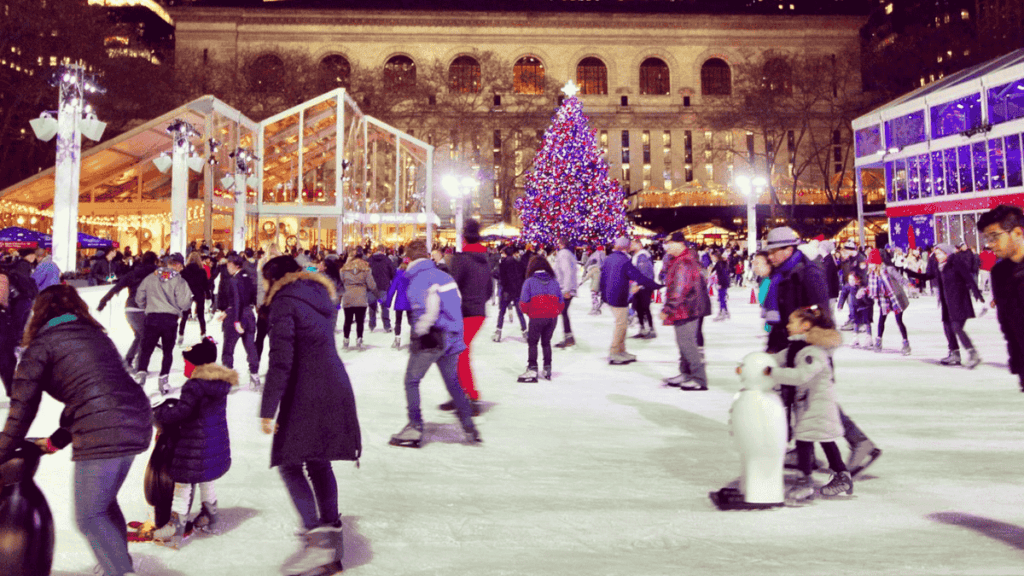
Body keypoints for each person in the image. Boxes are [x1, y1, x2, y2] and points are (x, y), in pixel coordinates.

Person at [0, 284, 151, 576]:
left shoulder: (41, 346)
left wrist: (2, 451)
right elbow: (93, 393)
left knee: (90, 516)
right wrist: (56, 440)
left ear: (38, 313)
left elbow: (21, 412)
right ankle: (118, 564)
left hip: (104, 430)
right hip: (137, 419)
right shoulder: (96, 337)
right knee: (103, 505)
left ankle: (120, 571)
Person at [260, 255, 361, 576]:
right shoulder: (319, 294)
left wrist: (268, 409)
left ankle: (319, 546)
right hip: (333, 383)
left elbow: (281, 360)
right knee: (318, 460)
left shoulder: (284, 302)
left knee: (290, 463)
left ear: (274, 279)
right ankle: (332, 541)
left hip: (307, 390)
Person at [764, 226, 881, 477]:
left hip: (810, 346)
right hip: (792, 344)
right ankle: (802, 448)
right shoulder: (782, 274)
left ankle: (861, 443)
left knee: (818, 400)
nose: (770, 256)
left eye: (774, 251)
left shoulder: (807, 273)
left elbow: (821, 314)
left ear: (788, 249)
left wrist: (812, 345)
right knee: (800, 397)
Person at [389, 239, 481, 447]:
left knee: (411, 380)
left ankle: (415, 426)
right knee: (453, 383)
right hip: (453, 336)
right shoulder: (443, 275)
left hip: (433, 337)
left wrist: (418, 333)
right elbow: (456, 300)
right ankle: (469, 426)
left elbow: (427, 310)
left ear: (408, 258)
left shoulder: (419, 279)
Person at [150, 337, 235, 546]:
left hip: (195, 444)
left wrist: (158, 413)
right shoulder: (218, 383)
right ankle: (210, 516)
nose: (185, 366)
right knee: (206, 477)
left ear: (197, 364)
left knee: (182, 483)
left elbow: (181, 413)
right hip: (214, 443)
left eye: (187, 362)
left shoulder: (195, 386)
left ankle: (175, 528)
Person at [772, 306, 853, 502]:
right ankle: (842, 476)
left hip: (818, 404)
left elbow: (800, 376)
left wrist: (771, 373)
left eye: (792, 322)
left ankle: (805, 481)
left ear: (805, 326)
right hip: (810, 404)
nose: (788, 325)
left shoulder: (813, 352)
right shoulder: (796, 348)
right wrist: (756, 363)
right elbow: (778, 358)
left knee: (804, 439)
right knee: (825, 440)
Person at [902, 244, 984, 368]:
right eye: (936, 254)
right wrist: (911, 273)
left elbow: (968, 277)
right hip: (948, 303)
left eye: (939, 253)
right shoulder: (940, 266)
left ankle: (972, 353)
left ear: (947, 253)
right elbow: (929, 276)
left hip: (960, 302)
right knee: (947, 327)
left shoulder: (955, 262)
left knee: (956, 327)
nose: (937, 256)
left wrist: (976, 292)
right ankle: (954, 354)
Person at [978, 205, 1024, 391]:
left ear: (1017, 233)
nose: (990, 244)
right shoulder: (999, 273)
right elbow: (1007, 325)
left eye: (995, 236)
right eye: (987, 238)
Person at [448, 220, 492, 411]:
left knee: (460, 353)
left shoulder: (462, 259)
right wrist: (479, 301)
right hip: (478, 312)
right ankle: (460, 393)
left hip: (464, 311)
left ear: (464, 237)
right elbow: (490, 288)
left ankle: (471, 396)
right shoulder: (484, 260)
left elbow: (452, 286)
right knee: (458, 352)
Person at [135, 253, 193, 395]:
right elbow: (184, 303)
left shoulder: (150, 277)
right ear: (177, 265)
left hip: (152, 318)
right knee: (167, 351)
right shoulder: (179, 281)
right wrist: (180, 308)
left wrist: (147, 306)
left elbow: (139, 297)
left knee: (146, 350)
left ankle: (141, 376)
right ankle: (163, 380)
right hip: (169, 320)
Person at [660, 232, 711, 390]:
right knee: (683, 344)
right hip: (684, 308)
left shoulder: (684, 262)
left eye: (669, 243)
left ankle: (698, 378)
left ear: (679, 243)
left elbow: (679, 289)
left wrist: (668, 308)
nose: (666, 246)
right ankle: (686, 373)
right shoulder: (678, 260)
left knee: (688, 344)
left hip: (687, 308)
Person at [601, 236, 662, 365]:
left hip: (612, 296)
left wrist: (604, 296)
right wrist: (656, 285)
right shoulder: (624, 260)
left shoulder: (609, 258)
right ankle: (615, 352)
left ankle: (621, 350)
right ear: (626, 247)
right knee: (621, 325)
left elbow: (603, 277)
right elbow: (638, 276)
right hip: (619, 296)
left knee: (622, 324)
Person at [97, 251, 159, 375]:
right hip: (142, 310)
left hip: (130, 309)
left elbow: (116, 288)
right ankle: (139, 367)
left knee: (140, 336)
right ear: (154, 261)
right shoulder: (158, 273)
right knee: (145, 337)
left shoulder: (132, 273)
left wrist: (103, 301)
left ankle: (128, 361)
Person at [517, 255, 565, 382]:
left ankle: (532, 368)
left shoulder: (529, 282)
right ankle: (547, 368)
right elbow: (561, 302)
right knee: (546, 343)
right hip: (551, 318)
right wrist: (554, 312)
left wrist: (529, 312)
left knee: (533, 342)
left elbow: (523, 303)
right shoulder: (554, 281)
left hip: (536, 317)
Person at [215, 254, 260, 388]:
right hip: (249, 315)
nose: (227, 267)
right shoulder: (250, 278)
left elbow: (237, 301)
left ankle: (228, 379)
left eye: (229, 264)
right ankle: (254, 375)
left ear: (236, 265)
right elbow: (252, 297)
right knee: (250, 347)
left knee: (228, 349)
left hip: (236, 317)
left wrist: (235, 320)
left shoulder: (234, 280)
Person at [865, 248, 911, 355]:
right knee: (881, 320)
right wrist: (864, 291)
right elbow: (871, 287)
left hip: (895, 298)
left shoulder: (889, 270)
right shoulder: (872, 274)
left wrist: (908, 284)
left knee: (899, 321)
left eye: (871, 262)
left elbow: (900, 278)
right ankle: (878, 341)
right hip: (884, 300)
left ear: (877, 262)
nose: (869, 265)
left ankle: (906, 343)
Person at [340, 248, 376, 350]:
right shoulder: (365, 269)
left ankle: (346, 339)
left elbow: (341, 281)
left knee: (347, 320)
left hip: (348, 297)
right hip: (360, 297)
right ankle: (359, 339)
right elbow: (371, 284)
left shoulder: (344, 270)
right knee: (360, 320)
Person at [493, 245, 527, 342]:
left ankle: (498, 333)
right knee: (520, 313)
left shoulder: (503, 263)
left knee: (502, 312)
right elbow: (523, 276)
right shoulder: (519, 263)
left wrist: (503, 286)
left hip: (507, 291)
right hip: (517, 291)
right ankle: (525, 333)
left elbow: (502, 277)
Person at [552, 236, 579, 348]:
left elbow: (566, 271)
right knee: (563, 312)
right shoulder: (569, 254)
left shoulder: (563, 254)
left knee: (562, 312)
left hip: (565, 288)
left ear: (561, 244)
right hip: (567, 287)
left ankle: (568, 338)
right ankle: (569, 337)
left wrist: (566, 290)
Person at [178, 251, 209, 346]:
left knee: (184, 316)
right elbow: (206, 285)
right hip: (199, 294)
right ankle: (203, 334)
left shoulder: (184, 271)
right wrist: (208, 296)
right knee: (201, 316)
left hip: (187, 294)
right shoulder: (202, 271)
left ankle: (181, 335)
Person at [629, 238, 657, 337]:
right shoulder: (636, 256)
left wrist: (640, 285)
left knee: (645, 308)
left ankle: (651, 330)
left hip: (644, 286)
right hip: (639, 286)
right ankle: (642, 329)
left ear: (638, 244)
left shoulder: (642, 256)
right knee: (639, 308)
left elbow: (646, 273)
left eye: (632, 244)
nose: (630, 246)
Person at [384, 258, 413, 349]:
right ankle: (414, 340)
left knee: (398, 321)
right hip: (410, 301)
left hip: (400, 301)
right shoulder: (413, 274)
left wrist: (388, 303)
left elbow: (392, 289)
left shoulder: (398, 274)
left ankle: (397, 339)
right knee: (412, 321)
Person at [367, 245, 396, 334]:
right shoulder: (387, 260)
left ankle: (372, 324)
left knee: (372, 306)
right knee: (384, 306)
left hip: (371, 287)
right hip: (383, 285)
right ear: (383, 251)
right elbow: (393, 272)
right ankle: (387, 325)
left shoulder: (370, 260)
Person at [848, 273, 873, 348]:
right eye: (850, 280)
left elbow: (870, 300)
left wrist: (864, 296)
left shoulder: (865, 286)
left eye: (853, 279)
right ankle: (855, 338)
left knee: (866, 322)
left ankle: (869, 338)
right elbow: (851, 299)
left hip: (866, 307)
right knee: (856, 322)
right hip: (856, 308)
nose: (851, 282)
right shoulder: (852, 288)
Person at [710, 250, 731, 322]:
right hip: (725, 282)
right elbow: (714, 270)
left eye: (712, 257)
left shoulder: (720, 264)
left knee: (721, 298)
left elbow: (723, 274)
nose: (711, 258)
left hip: (723, 283)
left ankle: (722, 313)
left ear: (715, 256)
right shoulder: (720, 263)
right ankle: (726, 312)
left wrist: (721, 284)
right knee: (722, 297)